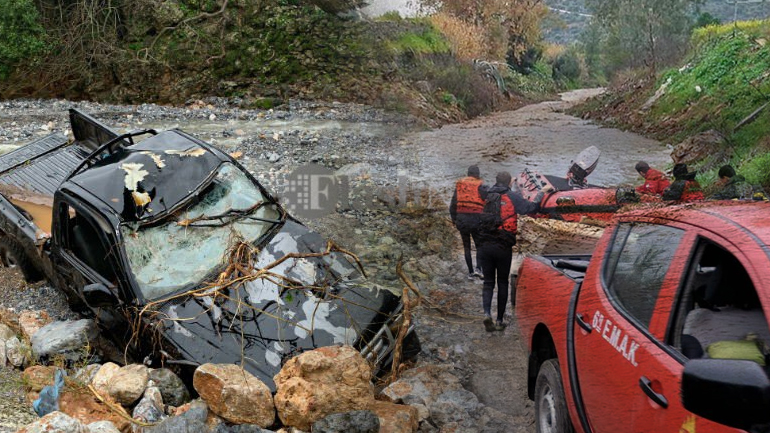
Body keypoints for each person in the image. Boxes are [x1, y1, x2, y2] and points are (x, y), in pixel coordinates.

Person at [477, 171, 545, 332]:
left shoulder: (486, 193)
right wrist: (541, 193)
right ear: (509, 183)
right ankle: (499, 320)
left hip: (484, 245)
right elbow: (530, 208)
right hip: (503, 247)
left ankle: (487, 313)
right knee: (502, 282)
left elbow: (481, 189)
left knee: (488, 282)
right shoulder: (512, 196)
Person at [449, 165, 487, 280]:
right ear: (478, 174)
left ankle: (470, 272)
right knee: (479, 245)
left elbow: (453, 204)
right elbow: (488, 201)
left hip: (462, 220)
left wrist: (454, 219)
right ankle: (479, 269)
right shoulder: (481, 185)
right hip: (476, 220)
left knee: (467, 247)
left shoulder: (459, 184)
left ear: (468, 173)